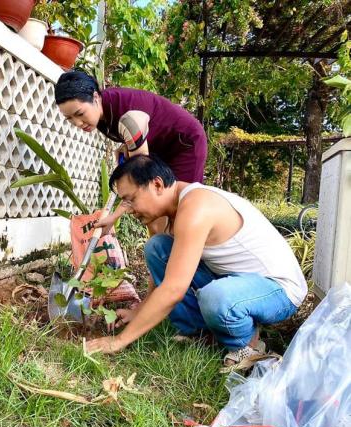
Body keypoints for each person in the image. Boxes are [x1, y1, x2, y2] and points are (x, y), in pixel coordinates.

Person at [85, 155, 308, 366]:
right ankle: (200, 333)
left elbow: (174, 288)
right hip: (237, 280)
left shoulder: (195, 207)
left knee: (217, 297)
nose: (129, 209)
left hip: (278, 290)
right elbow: (170, 273)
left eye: (131, 200)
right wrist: (140, 309)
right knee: (158, 248)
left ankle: (246, 346)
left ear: (157, 185)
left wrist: (119, 341)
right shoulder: (174, 209)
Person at [54, 70, 208, 234]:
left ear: (95, 97)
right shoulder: (101, 115)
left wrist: (113, 217)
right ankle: (163, 255)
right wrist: (126, 146)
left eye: (79, 113)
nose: (77, 123)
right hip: (159, 148)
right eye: (69, 118)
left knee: (180, 209)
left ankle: (187, 256)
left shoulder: (129, 119)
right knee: (156, 216)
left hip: (184, 143)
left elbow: (139, 183)